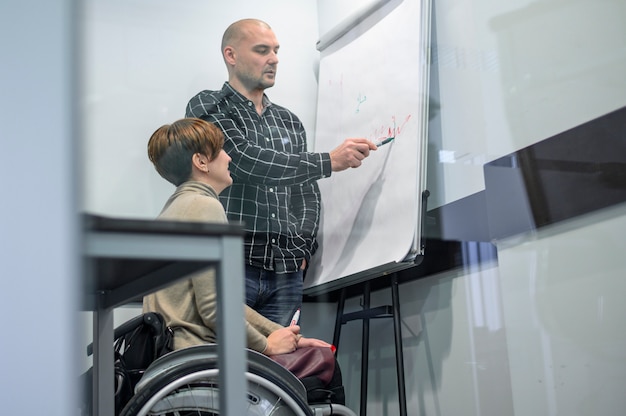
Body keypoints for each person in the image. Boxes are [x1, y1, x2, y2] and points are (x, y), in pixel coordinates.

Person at [186, 18, 378, 326]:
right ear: (231, 55)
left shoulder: (289, 121)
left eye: (276, 50)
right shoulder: (208, 105)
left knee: (278, 369)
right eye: (262, 50)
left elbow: (307, 195)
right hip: (231, 264)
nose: (273, 59)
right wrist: (328, 160)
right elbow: (244, 160)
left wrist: (301, 250)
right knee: (225, 365)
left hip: (285, 272)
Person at [143, 117, 330, 356]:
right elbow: (215, 308)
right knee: (321, 364)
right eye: (220, 150)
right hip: (200, 353)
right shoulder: (205, 207)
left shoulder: (174, 209)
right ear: (201, 162)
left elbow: (224, 301)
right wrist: (266, 345)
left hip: (178, 352)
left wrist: (283, 334)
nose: (228, 157)